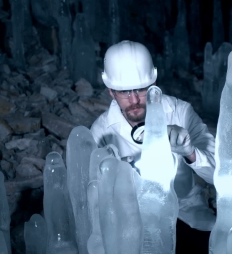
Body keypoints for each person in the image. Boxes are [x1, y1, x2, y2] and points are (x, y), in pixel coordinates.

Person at [90, 40, 217, 232]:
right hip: (132, 215)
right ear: (111, 92)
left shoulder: (180, 112)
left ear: (154, 83)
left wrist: (190, 153)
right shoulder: (102, 131)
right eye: (124, 92)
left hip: (185, 209)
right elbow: (92, 196)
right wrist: (114, 177)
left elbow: (219, 174)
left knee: (211, 251)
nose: (134, 100)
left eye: (141, 89)